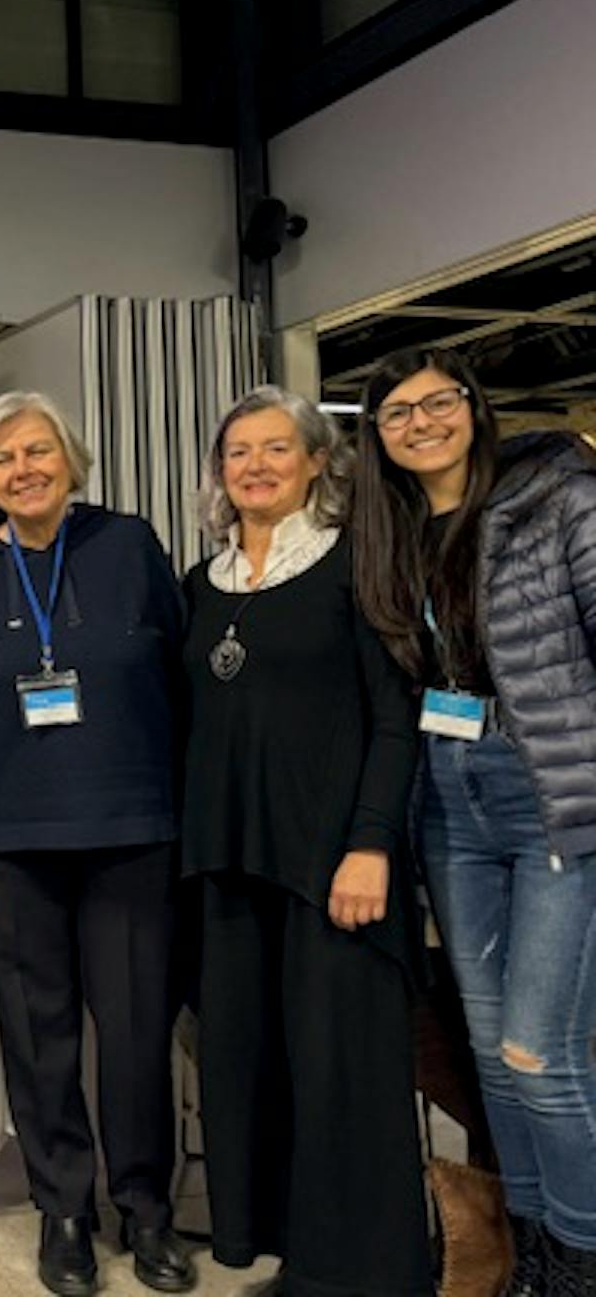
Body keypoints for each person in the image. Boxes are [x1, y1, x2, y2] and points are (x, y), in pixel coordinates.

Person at [0, 392, 192, 1295]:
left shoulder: (129, 545)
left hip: (133, 829)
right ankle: (65, 1211)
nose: (24, 470)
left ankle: (148, 1208)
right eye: (3, 460)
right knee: (37, 1040)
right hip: (10, 839)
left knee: (133, 1036)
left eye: (38, 451)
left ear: (71, 460)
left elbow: (184, 678)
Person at [351, 349, 596, 1295]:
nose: (420, 423)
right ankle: (527, 1262)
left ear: (472, 406)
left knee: (542, 1052)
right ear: (377, 436)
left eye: (436, 403)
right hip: (449, 796)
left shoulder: (558, 496)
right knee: (495, 1058)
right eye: (396, 413)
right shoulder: (392, 530)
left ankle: (579, 1265)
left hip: (550, 791)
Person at [181, 386, 429, 1297]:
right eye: (237, 451)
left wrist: (371, 843)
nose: (254, 465)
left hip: (333, 866)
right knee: (250, 1070)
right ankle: (287, 1255)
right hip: (229, 866)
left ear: (317, 462)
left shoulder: (353, 565)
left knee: (341, 1075)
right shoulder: (200, 585)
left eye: (275, 449)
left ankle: (359, 1274)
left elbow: (396, 720)